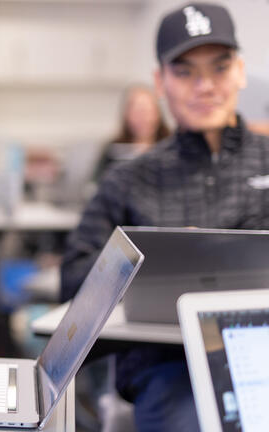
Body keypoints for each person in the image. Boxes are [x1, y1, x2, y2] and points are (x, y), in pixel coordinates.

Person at [61, 3, 269, 432]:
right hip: (168, 368)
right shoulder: (129, 178)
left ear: (241, 72)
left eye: (219, 67)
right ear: (160, 82)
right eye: (185, 71)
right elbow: (75, 275)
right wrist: (153, 266)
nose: (205, 86)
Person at [93, 84, 170, 180]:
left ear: (158, 114)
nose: (143, 119)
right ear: (127, 115)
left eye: (147, 111)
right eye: (138, 112)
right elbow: (97, 183)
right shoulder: (113, 150)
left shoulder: (171, 147)